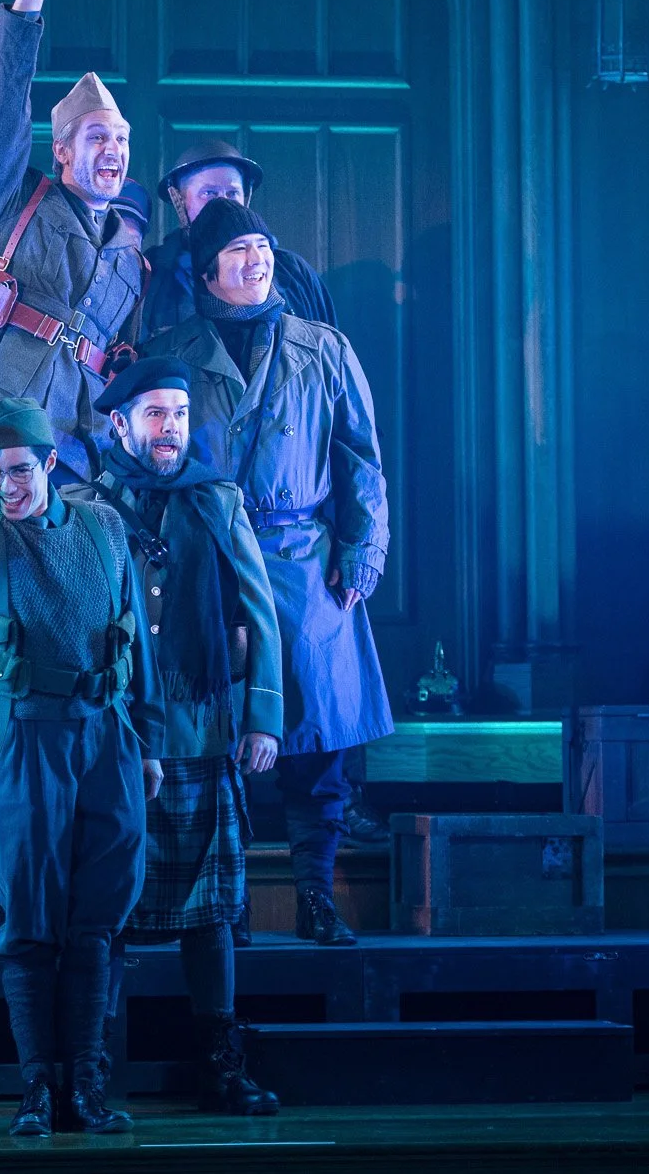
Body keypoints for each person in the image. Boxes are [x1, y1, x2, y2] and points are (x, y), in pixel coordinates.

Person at [0, 338, 161, 1137]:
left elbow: (135, 637)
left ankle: (85, 1084)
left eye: (19, 470)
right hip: (24, 742)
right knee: (29, 917)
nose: (7, 486)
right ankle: (36, 1090)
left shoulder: (104, 527)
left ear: (49, 463)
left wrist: (147, 739)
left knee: (97, 916)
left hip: (106, 736)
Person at [142, 197, 393, 946]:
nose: (256, 259)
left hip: (305, 567)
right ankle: (233, 905)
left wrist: (362, 552)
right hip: (209, 565)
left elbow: (363, 461)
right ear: (208, 270)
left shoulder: (322, 347)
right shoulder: (174, 349)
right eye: (240, 250)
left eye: (263, 246)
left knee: (316, 751)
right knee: (221, 742)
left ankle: (317, 896)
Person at [70, 357, 283, 1115]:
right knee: (106, 908)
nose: (170, 430)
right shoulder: (84, 504)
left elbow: (259, 612)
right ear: (119, 423)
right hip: (114, 733)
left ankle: (221, 1064)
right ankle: (92, 1067)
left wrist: (262, 716)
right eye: (155, 415)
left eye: (180, 416)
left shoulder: (215, 500)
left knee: (211, 910)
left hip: (199, 729)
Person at [0, 0, 147, 478]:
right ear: (61, 150)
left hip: (80, 462)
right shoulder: (14, 201)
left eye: (122, 139)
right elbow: (1, 111)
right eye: (97, 136)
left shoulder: (133, 261)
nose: (114, 148)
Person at [142, 140, 336, 335]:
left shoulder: (293, 272)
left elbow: (327, 348)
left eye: (233, 192)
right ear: (179, 200)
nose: (223, 204)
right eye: (209, 193)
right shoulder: (153, 274)